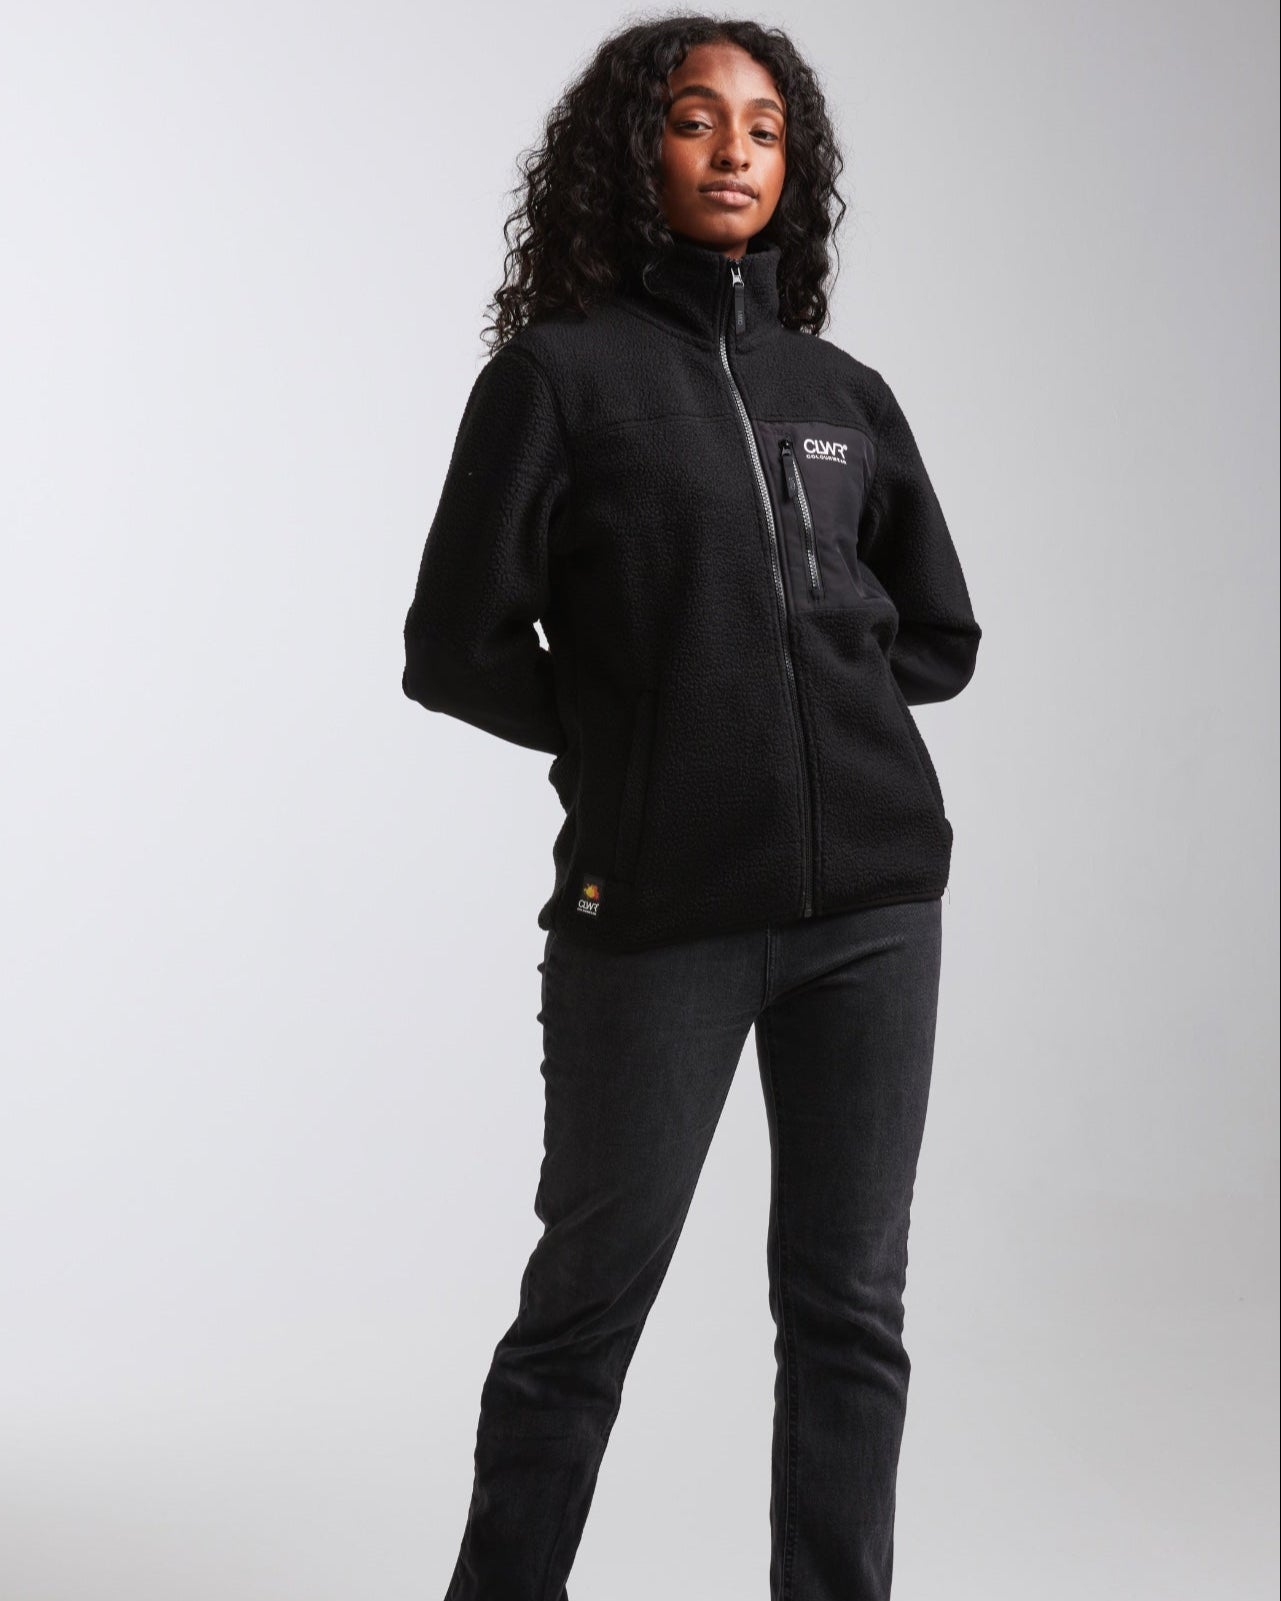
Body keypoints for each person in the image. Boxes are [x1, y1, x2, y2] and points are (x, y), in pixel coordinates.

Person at [401, 16, 981, 1601]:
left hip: (872, 917)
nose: (733, 149)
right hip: (656, 920)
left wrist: (821, 701)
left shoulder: (840, 391)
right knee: (585, 1308)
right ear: (631, 150)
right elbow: (450, 646)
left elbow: (936, 633)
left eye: (764, 128)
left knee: (850, 1308)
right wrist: (643, 733)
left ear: (793, 168)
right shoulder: (557, 381)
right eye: (694, 117)